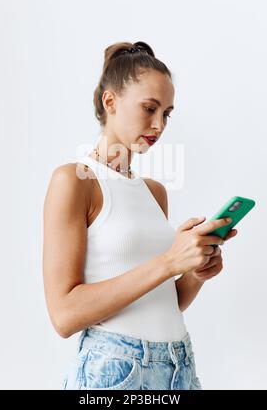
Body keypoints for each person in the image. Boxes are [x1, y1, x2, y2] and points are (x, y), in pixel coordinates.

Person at [42, 41, 237, 390]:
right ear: (110, 101)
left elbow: (165, 301)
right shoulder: (74, 180)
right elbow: (64, 315)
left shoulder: (154, 191)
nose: (159, 124)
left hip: (179, 366)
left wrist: (194, 272)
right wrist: (168, 261)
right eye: (149, 108)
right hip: (116, 369)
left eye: (167, 113)